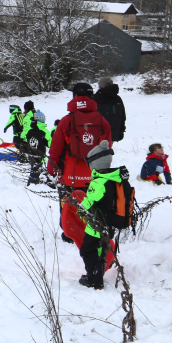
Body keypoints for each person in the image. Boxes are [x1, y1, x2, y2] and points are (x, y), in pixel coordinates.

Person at [48, 82, 112, 245]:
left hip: (69, 176)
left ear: (75, 97)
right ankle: (92, 231)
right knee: (91, 203)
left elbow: (55, 150)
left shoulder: (65, 121)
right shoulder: (103, 122)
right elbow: (107, 148)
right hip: (94, 175)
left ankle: (69, 234)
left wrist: (51, 170)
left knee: (69, 204)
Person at [77, 141, 124, 290]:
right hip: (110, 222)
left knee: (87, 250)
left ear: (95, 164)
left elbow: (89, 202)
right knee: (100, 250)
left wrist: (78, 208)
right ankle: (97, 277)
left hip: (97, 223)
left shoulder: (98, 182)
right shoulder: (114, 178)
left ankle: (93, 279)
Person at [93, 77, 126, 143]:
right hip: (113, 133)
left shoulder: (96, 98)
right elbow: (122, 116)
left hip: (98, 133)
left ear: (101, 86)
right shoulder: (118, 99)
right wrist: (121, 130)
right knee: (108, 151)